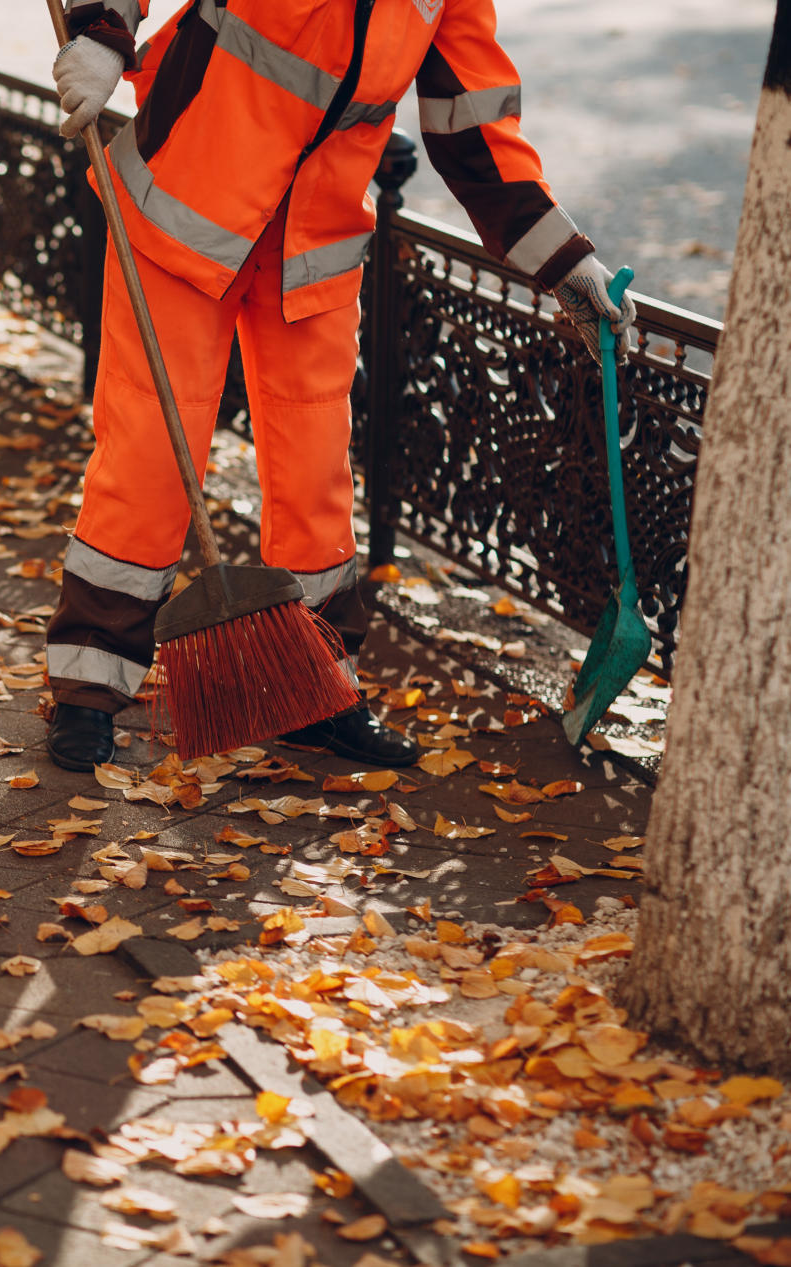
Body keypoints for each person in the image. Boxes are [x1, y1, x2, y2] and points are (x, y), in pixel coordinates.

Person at [42, 0, 634, 771]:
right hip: (184, 207)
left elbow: (474, 129)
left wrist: (567, 267)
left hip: (310, 249)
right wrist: (99, 31)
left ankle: (314, 693)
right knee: (150, 458)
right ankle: (87, 691)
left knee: (315, 481)